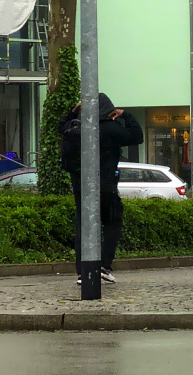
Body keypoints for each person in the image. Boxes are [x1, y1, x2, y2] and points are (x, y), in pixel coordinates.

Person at [60, 94, 144, 284]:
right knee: (113, 222)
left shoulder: (75, 129)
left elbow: (60, 127)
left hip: (80, 186)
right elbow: (137, 136)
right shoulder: (112, 129)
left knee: (83, 225)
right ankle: (104, 267)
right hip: (106, 186)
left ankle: (83, 272)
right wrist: (125, 115)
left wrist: (73, 111)